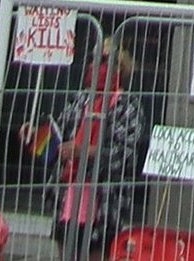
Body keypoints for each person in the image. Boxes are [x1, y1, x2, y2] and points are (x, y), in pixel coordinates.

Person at [20, 44, 147, 259]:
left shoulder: (129, 106)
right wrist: (36, 136)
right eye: (92, 57)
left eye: (103, 59)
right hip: (69, 190)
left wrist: (84, 152)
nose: (94, 64)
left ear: (119, 68)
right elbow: (58, 139)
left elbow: (123, 154)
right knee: (66, 248)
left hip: (103, 196)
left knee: (99, 250)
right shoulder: (80, 99)